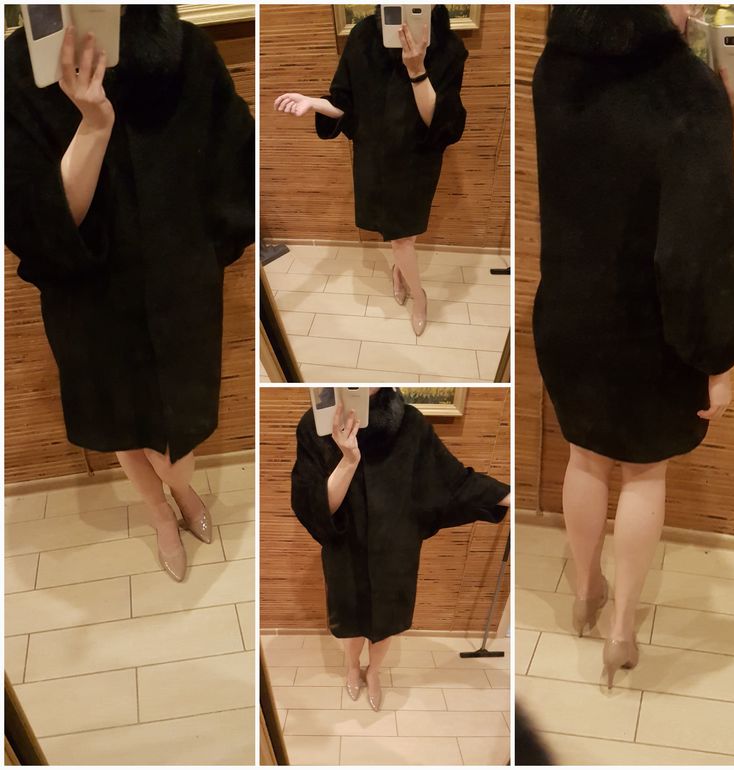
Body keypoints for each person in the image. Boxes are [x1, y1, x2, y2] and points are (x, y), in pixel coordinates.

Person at [532, 5, 734, 687]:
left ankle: (584, 591)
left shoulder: (554, 69)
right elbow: (699, 248)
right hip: (648, 328)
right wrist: (717, 359)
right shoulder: (686, 91)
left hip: (568, 314)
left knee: (584, 458)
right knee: (643, 473)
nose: (696, 7)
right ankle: (622, 631)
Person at [5, 6, 255, 581]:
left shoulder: (188, 53)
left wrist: (203, 252)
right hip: (89, 297)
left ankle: (181, 491)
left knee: (177, 447)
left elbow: (232, 165)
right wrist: (94, 124)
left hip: (180, 292)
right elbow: (38, 226)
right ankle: (159, 516)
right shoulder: (18, 70)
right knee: (120, 421)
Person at [291, 387, 510, 711]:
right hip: (345, 549)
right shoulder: (315, 425)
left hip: (396, 551)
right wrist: (349, 460)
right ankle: (352, 667)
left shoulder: (410, 424)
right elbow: (314, 506)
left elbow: (452, 482)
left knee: (386, 623)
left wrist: (505, 495)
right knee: (351, 621)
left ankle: (374, 672)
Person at [274, 5, 468, 336]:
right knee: (401, 239)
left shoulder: (449, 47)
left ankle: (400, 274)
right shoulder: (363, 37)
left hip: (417, 161)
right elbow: (345, 105)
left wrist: (417, 69)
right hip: (375, 160)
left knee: (407, 234)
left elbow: (440, 123)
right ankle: (419, 295)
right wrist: (314, 103)